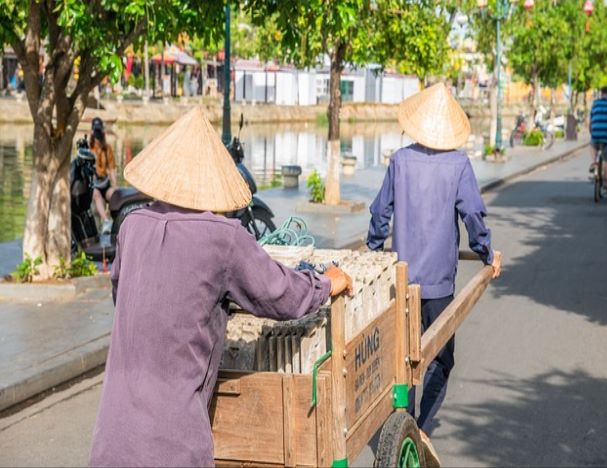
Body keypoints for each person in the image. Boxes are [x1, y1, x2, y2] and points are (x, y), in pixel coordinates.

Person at [89, 106, 353, 467]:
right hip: (174, 445)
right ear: (212, 181)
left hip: (111, 439)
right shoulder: (223, 238)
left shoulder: (131, 227)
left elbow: (124, 297)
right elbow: (281, 295)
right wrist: (325, 282)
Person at [367, 83, 501, 463]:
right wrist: (487, 253)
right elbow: (473, 217)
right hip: (439, 282)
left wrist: (375, 250)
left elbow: (380, 215)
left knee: (404, 359)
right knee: (440, 358)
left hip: (400, 279)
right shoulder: (459, 164)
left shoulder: (399, 160)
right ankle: (419, 423)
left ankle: (404, 422)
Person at [89, 117, 117, 233]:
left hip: (105, 182)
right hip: (94, 185)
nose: (97, 135)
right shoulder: (88, 147)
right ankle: (106, 221)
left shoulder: (107, 148)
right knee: (96, 194)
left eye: (99, 131)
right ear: (92, 132)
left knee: (114, 194)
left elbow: (111, 169)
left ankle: (115, 223)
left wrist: (115, 186)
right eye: (96, 132)